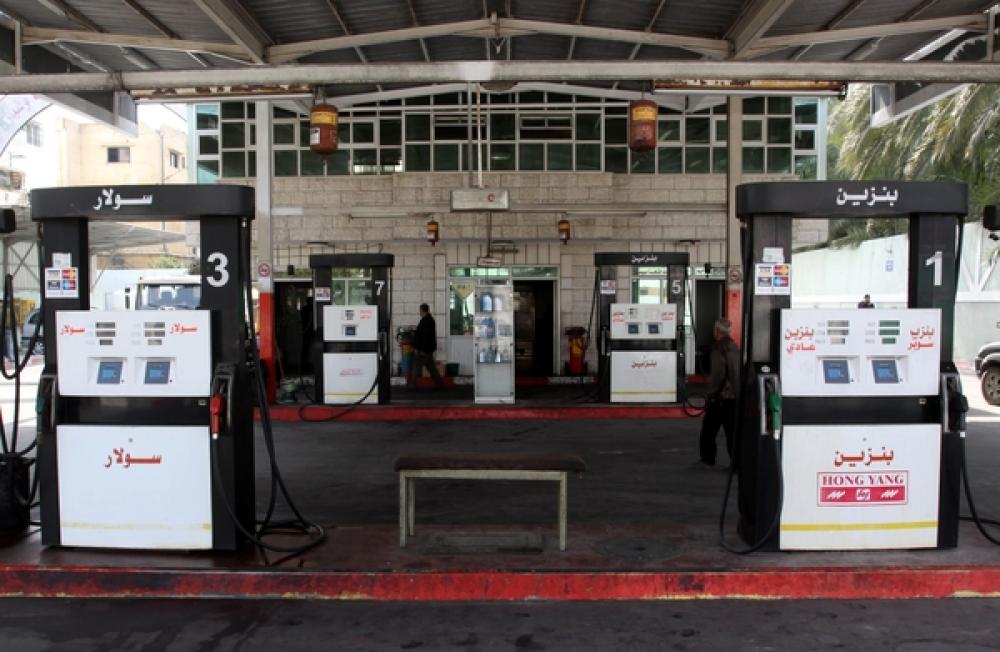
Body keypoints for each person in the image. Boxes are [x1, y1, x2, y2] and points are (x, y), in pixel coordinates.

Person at [698, 318, 741, 469]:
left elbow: (718, 374)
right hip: (734, 397)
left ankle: (708, 459)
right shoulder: (735, 346)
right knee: (732, 433)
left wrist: (711, 393)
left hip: (720, 397)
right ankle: (736, 464)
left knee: (708, 431)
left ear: (717, 331)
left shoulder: (718, 348)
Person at [409, 303, 444, 389]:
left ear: (423, 310)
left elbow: (425, 336)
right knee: (431, 368)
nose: (419, 312)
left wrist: (421, 349)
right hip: (428, 349)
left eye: (420, 310)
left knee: (416, 366)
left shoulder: (426, 321)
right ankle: (439, 384)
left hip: (423, 349)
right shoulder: (428, 320)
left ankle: (412, 385)